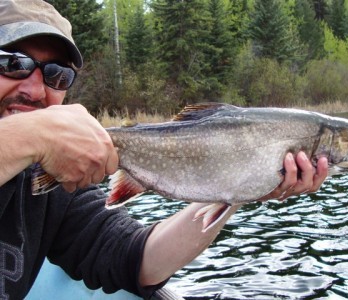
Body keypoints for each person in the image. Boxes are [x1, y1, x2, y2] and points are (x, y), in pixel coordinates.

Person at [0, 0, 329, 299]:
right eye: (12, 63)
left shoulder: (50, 186)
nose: (34, 89)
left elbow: (138, 260)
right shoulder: (39, 150)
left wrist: (242, 182)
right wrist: (33, 136)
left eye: (57, 75)